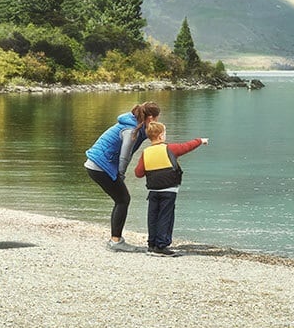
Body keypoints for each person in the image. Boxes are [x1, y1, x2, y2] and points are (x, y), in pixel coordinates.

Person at [85, 102, 159, 251]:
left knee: (121, 199)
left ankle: (116, 239)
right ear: (150, 118)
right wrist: (121, 174)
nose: (157, 121)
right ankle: (116, 241)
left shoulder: (135, 124)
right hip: (100, 166)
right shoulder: (131, 129)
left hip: (96, 164)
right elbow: (125, 155)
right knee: (123, 199)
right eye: (157, 118)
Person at [133, 121, 207, 257]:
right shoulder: (170, 149)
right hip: (169, 191)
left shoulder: (146, 152)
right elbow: (187, 147)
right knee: (165, 217)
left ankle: (152, 244)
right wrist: (200, 140)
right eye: (165, 133)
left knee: (153, 217)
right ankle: (161, 246)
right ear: (161, 136)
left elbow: (138, 173)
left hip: (153, 191)